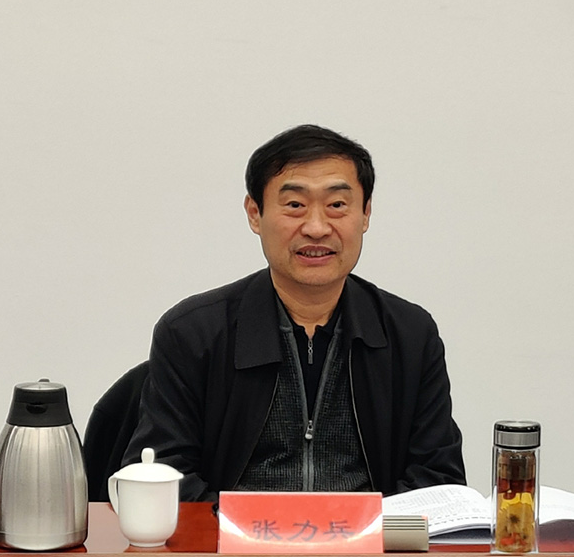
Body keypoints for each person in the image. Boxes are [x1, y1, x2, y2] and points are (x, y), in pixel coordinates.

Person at [122, 124, 466, 501]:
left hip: (368, 535)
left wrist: (368, 529)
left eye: (337, 205)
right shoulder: (194, 332)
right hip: (233, 534)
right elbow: (164, 475)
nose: (316, 228)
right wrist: (245, 528)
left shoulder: (410, 334)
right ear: (255, 213)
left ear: (366, 213)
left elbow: (437, 477)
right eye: (295, 205)